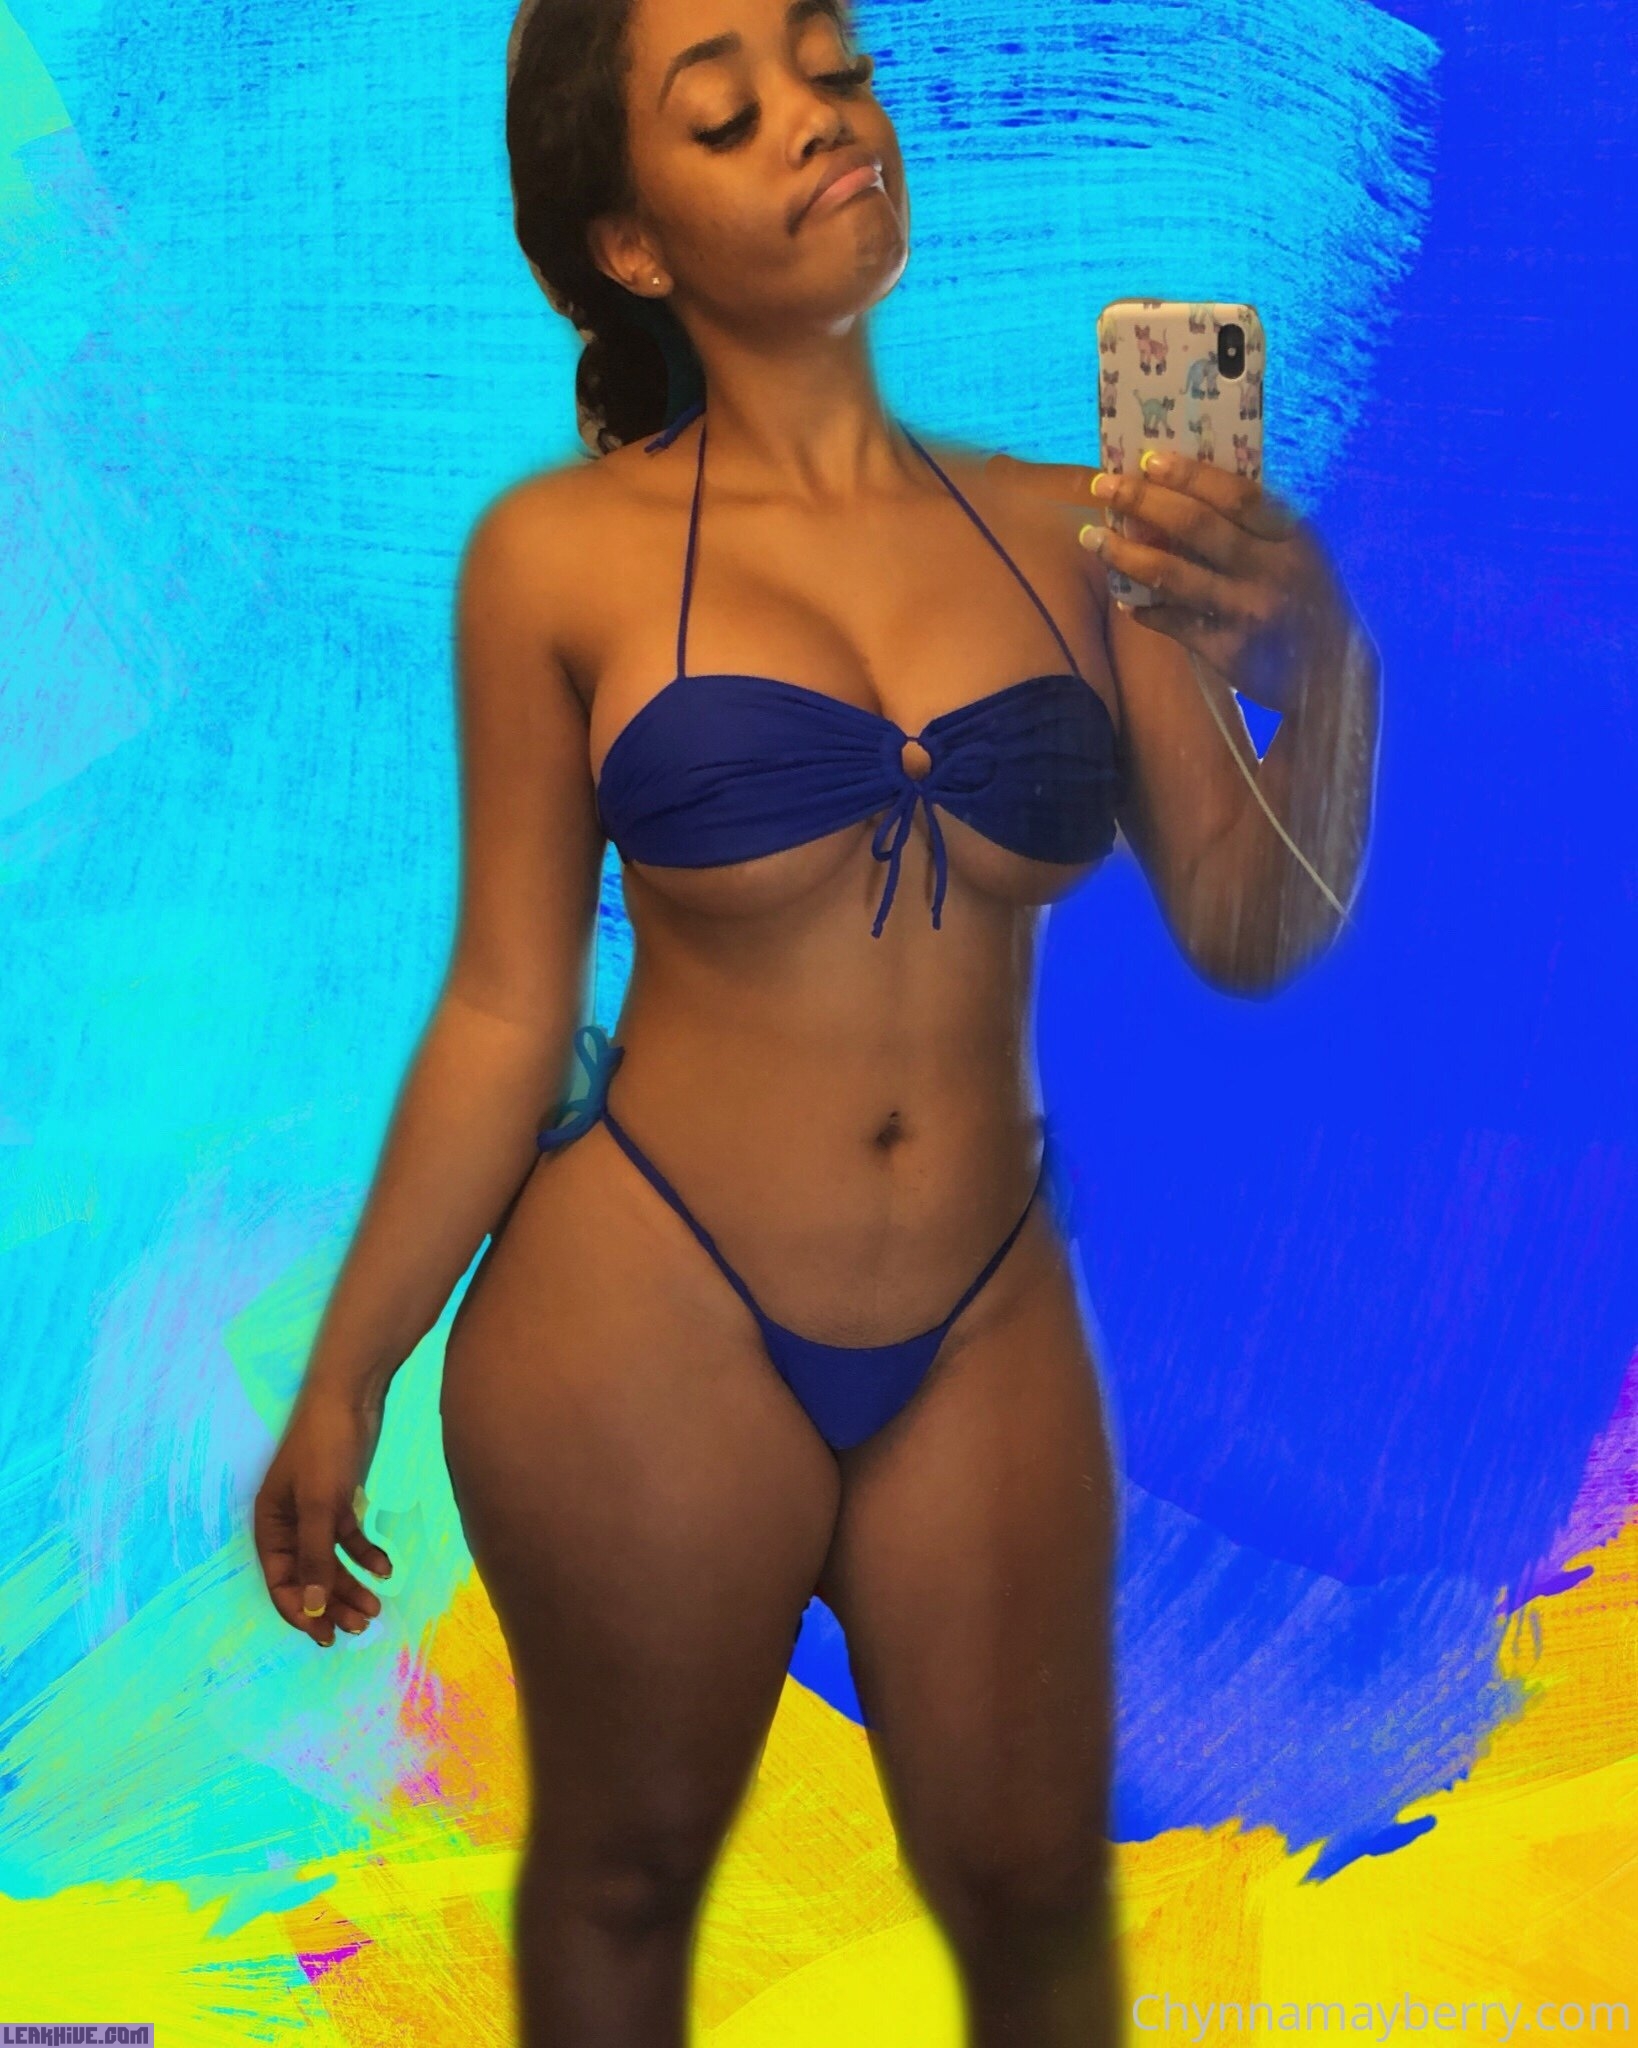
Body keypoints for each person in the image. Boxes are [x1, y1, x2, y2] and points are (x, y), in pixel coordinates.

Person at [252, 0, 1380, 2038]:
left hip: (982, 1305)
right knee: (622, 1880)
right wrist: (348, 1371)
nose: (818, 118)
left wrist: (1330, 673)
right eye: (726, 111)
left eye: (832, 66)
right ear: (630, 246)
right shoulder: (553, 557)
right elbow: (507, 1003)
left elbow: (1246, 924)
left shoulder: (1091, 533)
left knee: (1039, 1898)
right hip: (646, 1302)